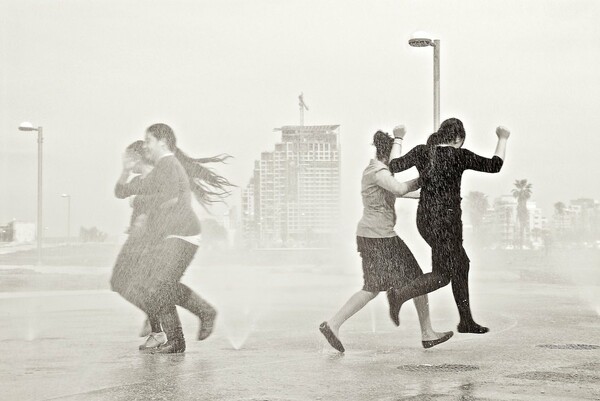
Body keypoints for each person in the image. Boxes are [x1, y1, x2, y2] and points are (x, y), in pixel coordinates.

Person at [319, 127, 454, 353]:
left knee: (372, 288)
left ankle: (332, 325)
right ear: (388, 153)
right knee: (417, 280)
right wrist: (424, 178)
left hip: (373, 236)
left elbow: (401, 192)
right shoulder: (378, 172)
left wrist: (433, 191)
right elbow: (400, 189)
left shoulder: (377, 171)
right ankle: (427, 333)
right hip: (380, 237)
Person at [115, 123, 234, 353]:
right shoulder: (162, 167)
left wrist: (141, 204)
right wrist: (126, 175)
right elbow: (122, 192)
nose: (145, 144)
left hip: (182, 234)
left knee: (159, 286)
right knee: (157, 287)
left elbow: (169, 199)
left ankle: (198, 316)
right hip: (173, 235)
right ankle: (174, 337)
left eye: (148, 140)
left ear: (161, 142)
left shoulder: (168, 165)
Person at [388, 118, 510, 334]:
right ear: (458, 138)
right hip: (447, 221)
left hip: (425, 219)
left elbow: (393, 166)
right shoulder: (458, 155)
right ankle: (399, 294)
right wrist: (503, 137)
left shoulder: (422, 151)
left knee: (460, 265)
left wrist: (398, 138)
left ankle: (466, 321)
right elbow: (495, 165)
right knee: (444, 275)